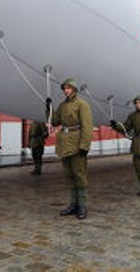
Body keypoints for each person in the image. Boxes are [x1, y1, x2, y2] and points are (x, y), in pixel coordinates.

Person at [47, 78, 93, 220]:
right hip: (64, 143)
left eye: (68, 88)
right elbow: (55, 121)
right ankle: (73, 205)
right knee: (69, 175)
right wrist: (49, 108)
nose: (66, 90)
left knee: (79, 175)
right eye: (64, 88)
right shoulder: (62, 105)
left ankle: (82, 206)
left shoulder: (82, 105)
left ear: (74, 89)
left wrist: (84, 146)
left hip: (77, 143)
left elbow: (87, 126)